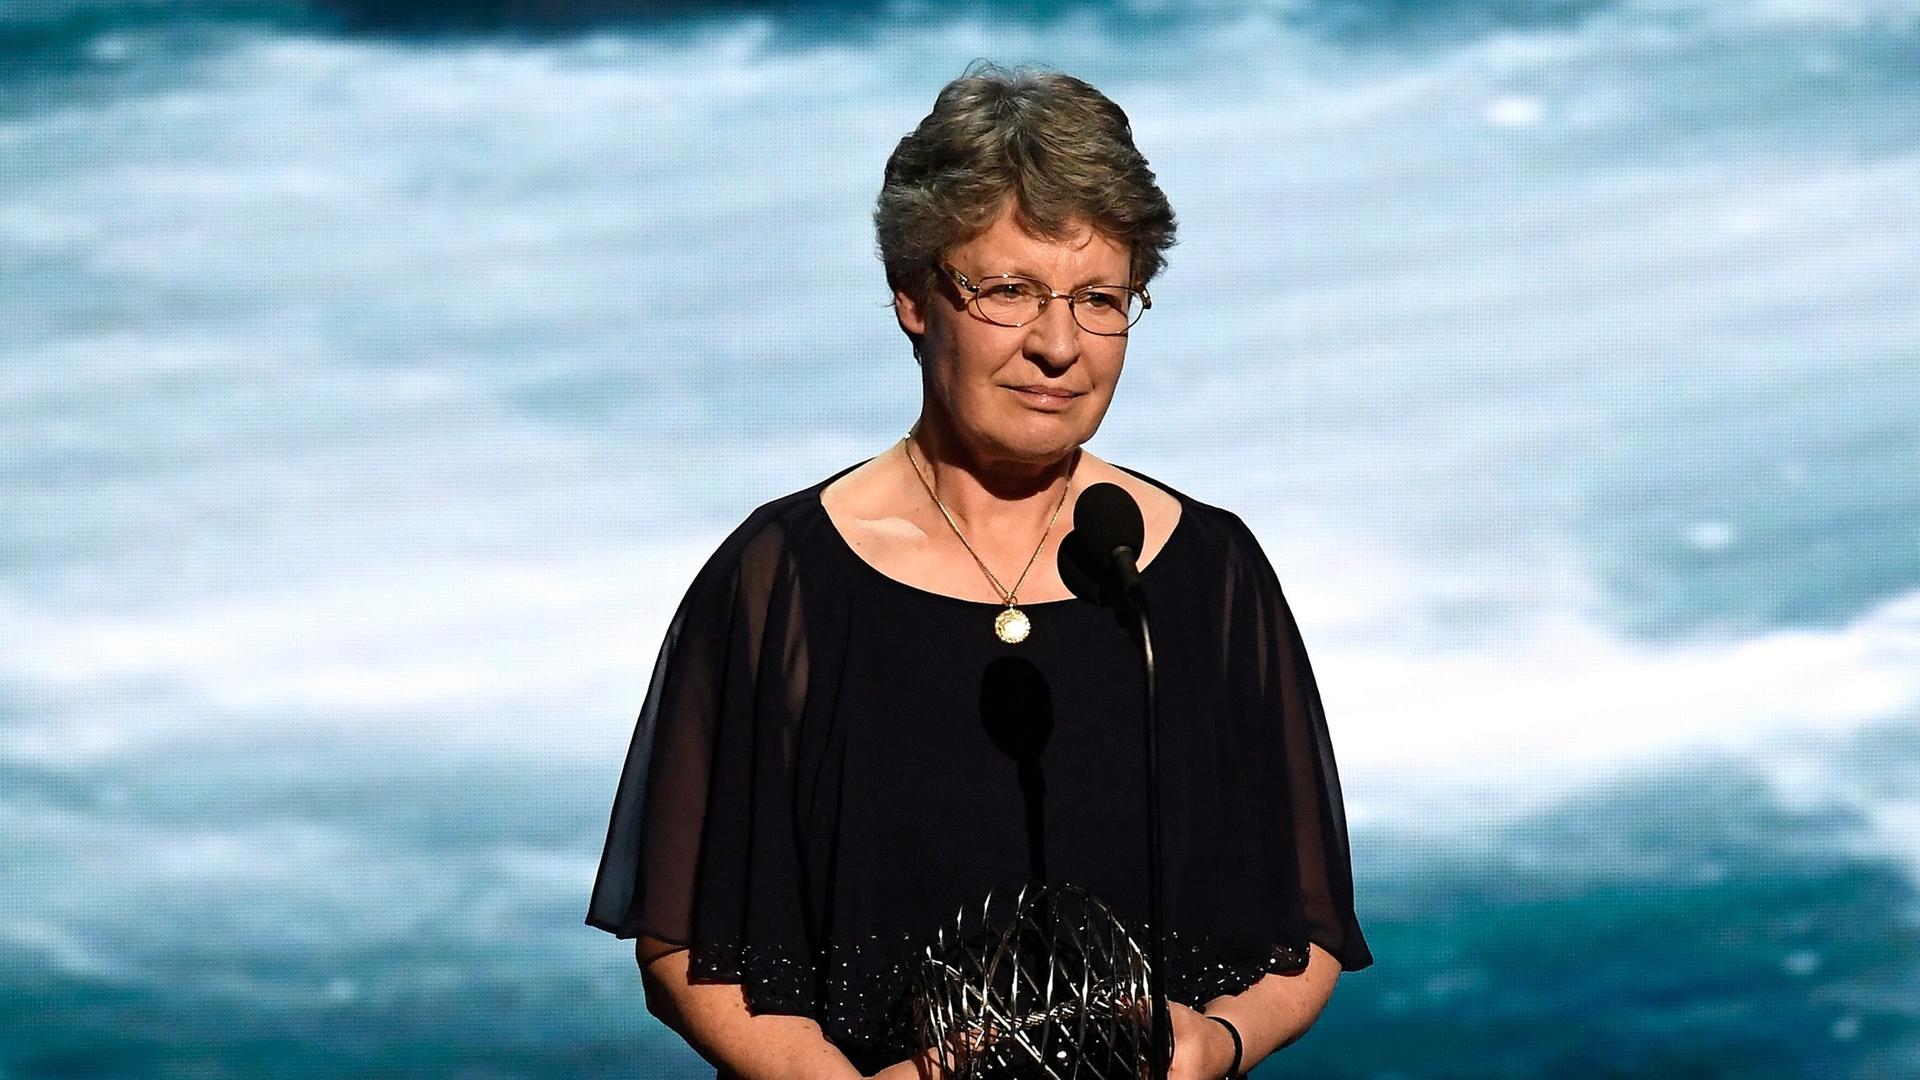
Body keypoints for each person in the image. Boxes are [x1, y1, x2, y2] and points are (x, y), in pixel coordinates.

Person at [586, 64, 1371, 1080]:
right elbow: (686, 950)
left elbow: (1300, 935)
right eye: (1008, 291)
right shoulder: (780, 583)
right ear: (912, 295)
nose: (1059, 345)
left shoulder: (1206, 572)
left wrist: (1215, 1044)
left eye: (1100, 298)